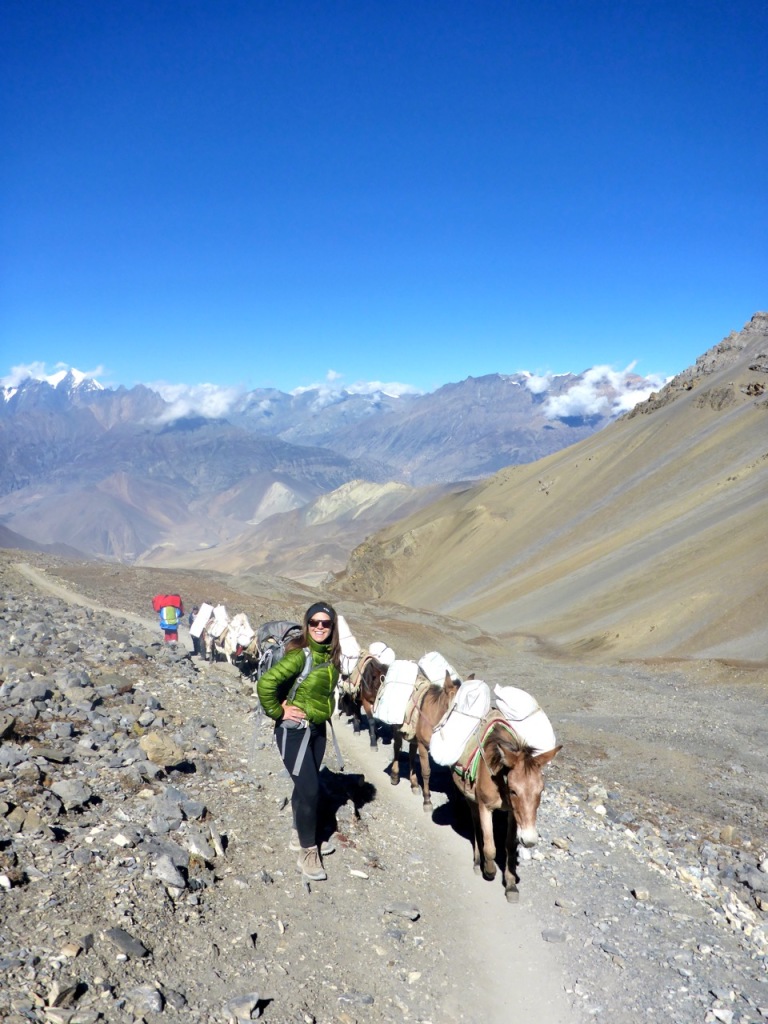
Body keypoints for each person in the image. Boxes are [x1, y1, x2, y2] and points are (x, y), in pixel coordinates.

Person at [256, 601, 341, 882]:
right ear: (307, 624)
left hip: (317, 730)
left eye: (325, 623)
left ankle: (298, 831)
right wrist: (279, 710)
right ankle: (307, 851)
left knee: (305, 784)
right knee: (311, 789)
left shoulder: (330, 657)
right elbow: (265, 684)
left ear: (332, 627)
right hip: (294, 732)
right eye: (314, 622)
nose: (319, 627)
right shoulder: (299, 656)